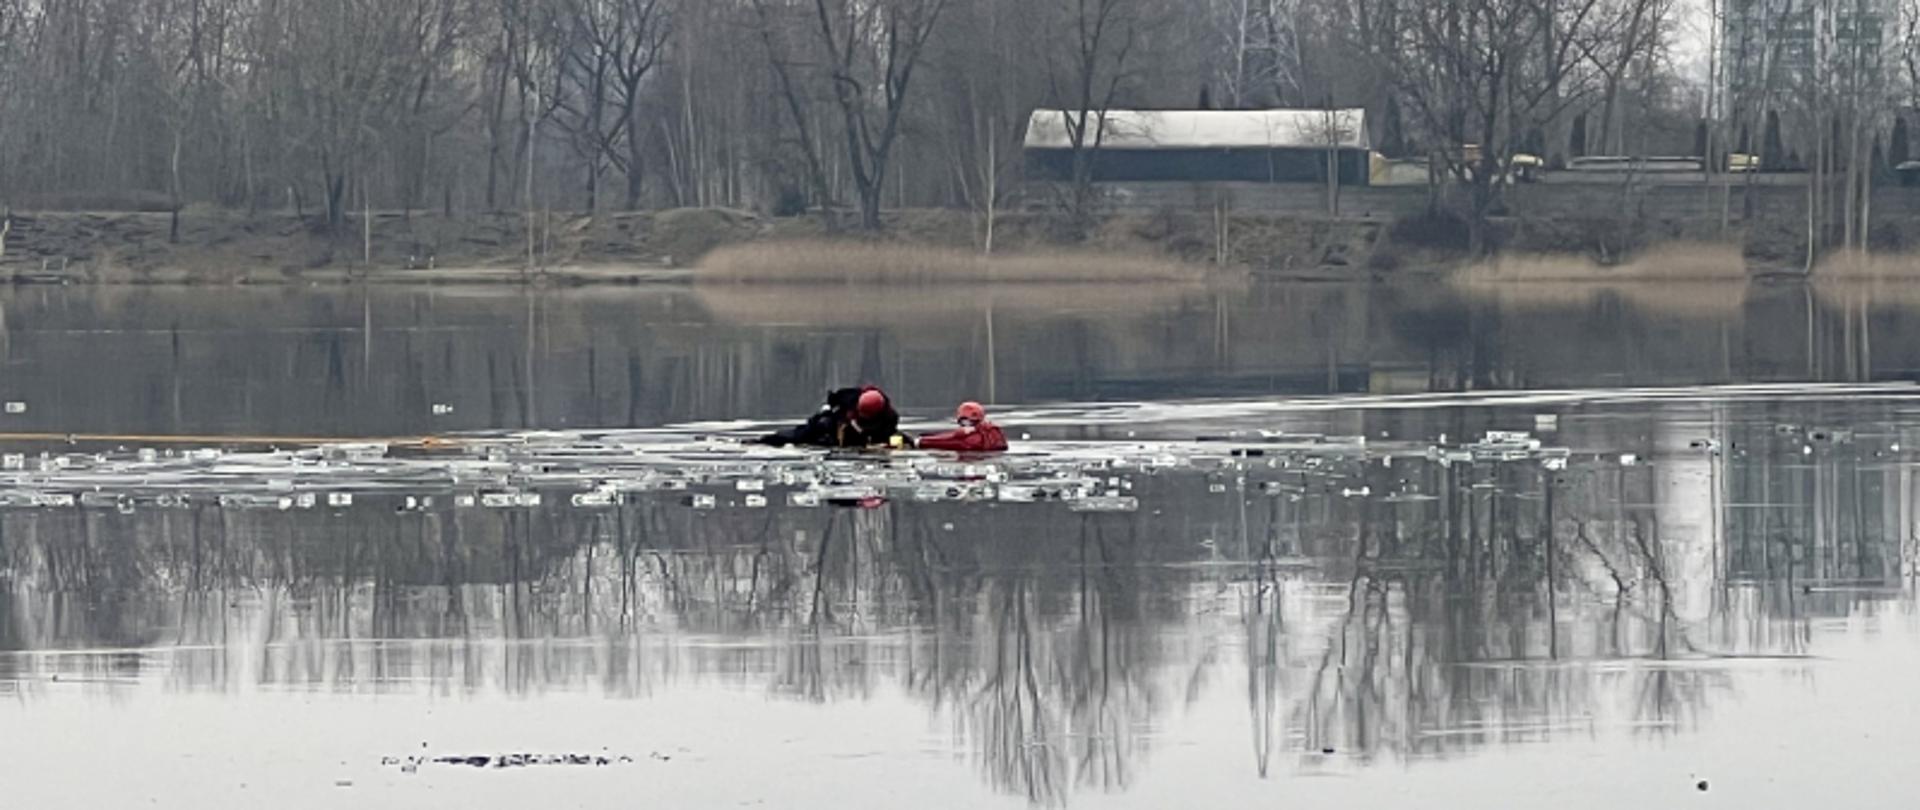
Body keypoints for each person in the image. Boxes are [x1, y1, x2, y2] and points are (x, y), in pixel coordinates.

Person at [753, 386, 904, 448]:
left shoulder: (889, 419)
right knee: (795, 436)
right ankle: (760, 441)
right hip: (828, 430)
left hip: (860, 441)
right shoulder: (847, 400)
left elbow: (889, 435)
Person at [915, 401, 1008, 453]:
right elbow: (951, 436)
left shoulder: (974, 440)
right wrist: (926, 438)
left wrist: (922, 442)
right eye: (963, 423)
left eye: (967, 422)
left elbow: (954, 442)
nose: (965, 427)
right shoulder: (990, 431)